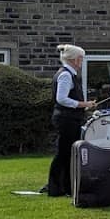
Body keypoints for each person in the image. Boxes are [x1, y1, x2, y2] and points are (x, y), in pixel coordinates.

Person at [43, 44, 99, 196]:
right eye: (81, 58)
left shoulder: (69, 74)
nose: (82, 62)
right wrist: (83, 104)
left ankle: (65, 187)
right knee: (63, 153)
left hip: (69, 118)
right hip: (66, 120)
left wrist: (83, 107)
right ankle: (55, 188)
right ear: (74, 59)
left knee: (68, 153)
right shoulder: (66, 75)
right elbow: (61, 99)